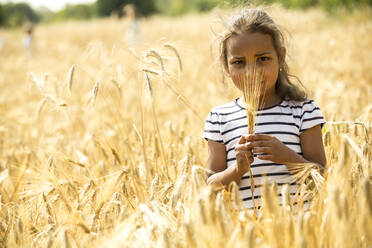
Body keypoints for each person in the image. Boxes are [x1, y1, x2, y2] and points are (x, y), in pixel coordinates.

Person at [204, 8, 326, 210]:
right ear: (226, 66)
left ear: (281, 57)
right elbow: (209, 187)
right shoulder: (218, 118)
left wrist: (287, 157)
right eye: (239, 62)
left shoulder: (304, 111)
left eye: (262, 59)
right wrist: (237, 169)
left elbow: (321, 177)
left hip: (299, 234)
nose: (251, 72)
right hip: (245, 235)